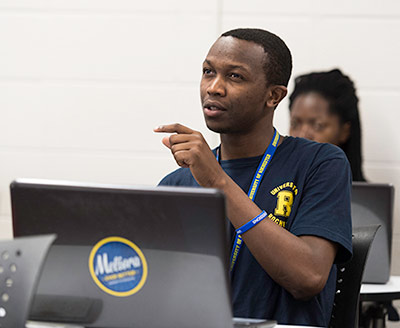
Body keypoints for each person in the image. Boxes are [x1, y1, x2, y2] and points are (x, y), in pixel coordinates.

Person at [154, 28, 352, 326]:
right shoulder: (176, 184)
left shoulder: (320, 163)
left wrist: (217, 182)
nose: (214, 87)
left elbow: (308, 277)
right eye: (208, 72)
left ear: (273, 96)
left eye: (235, 76)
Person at [288, 69, 366, 181]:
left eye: (317, 126)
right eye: (295, 124)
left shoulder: (368, 197)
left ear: (344, 131)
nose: (302, 135)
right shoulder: (274, 189)